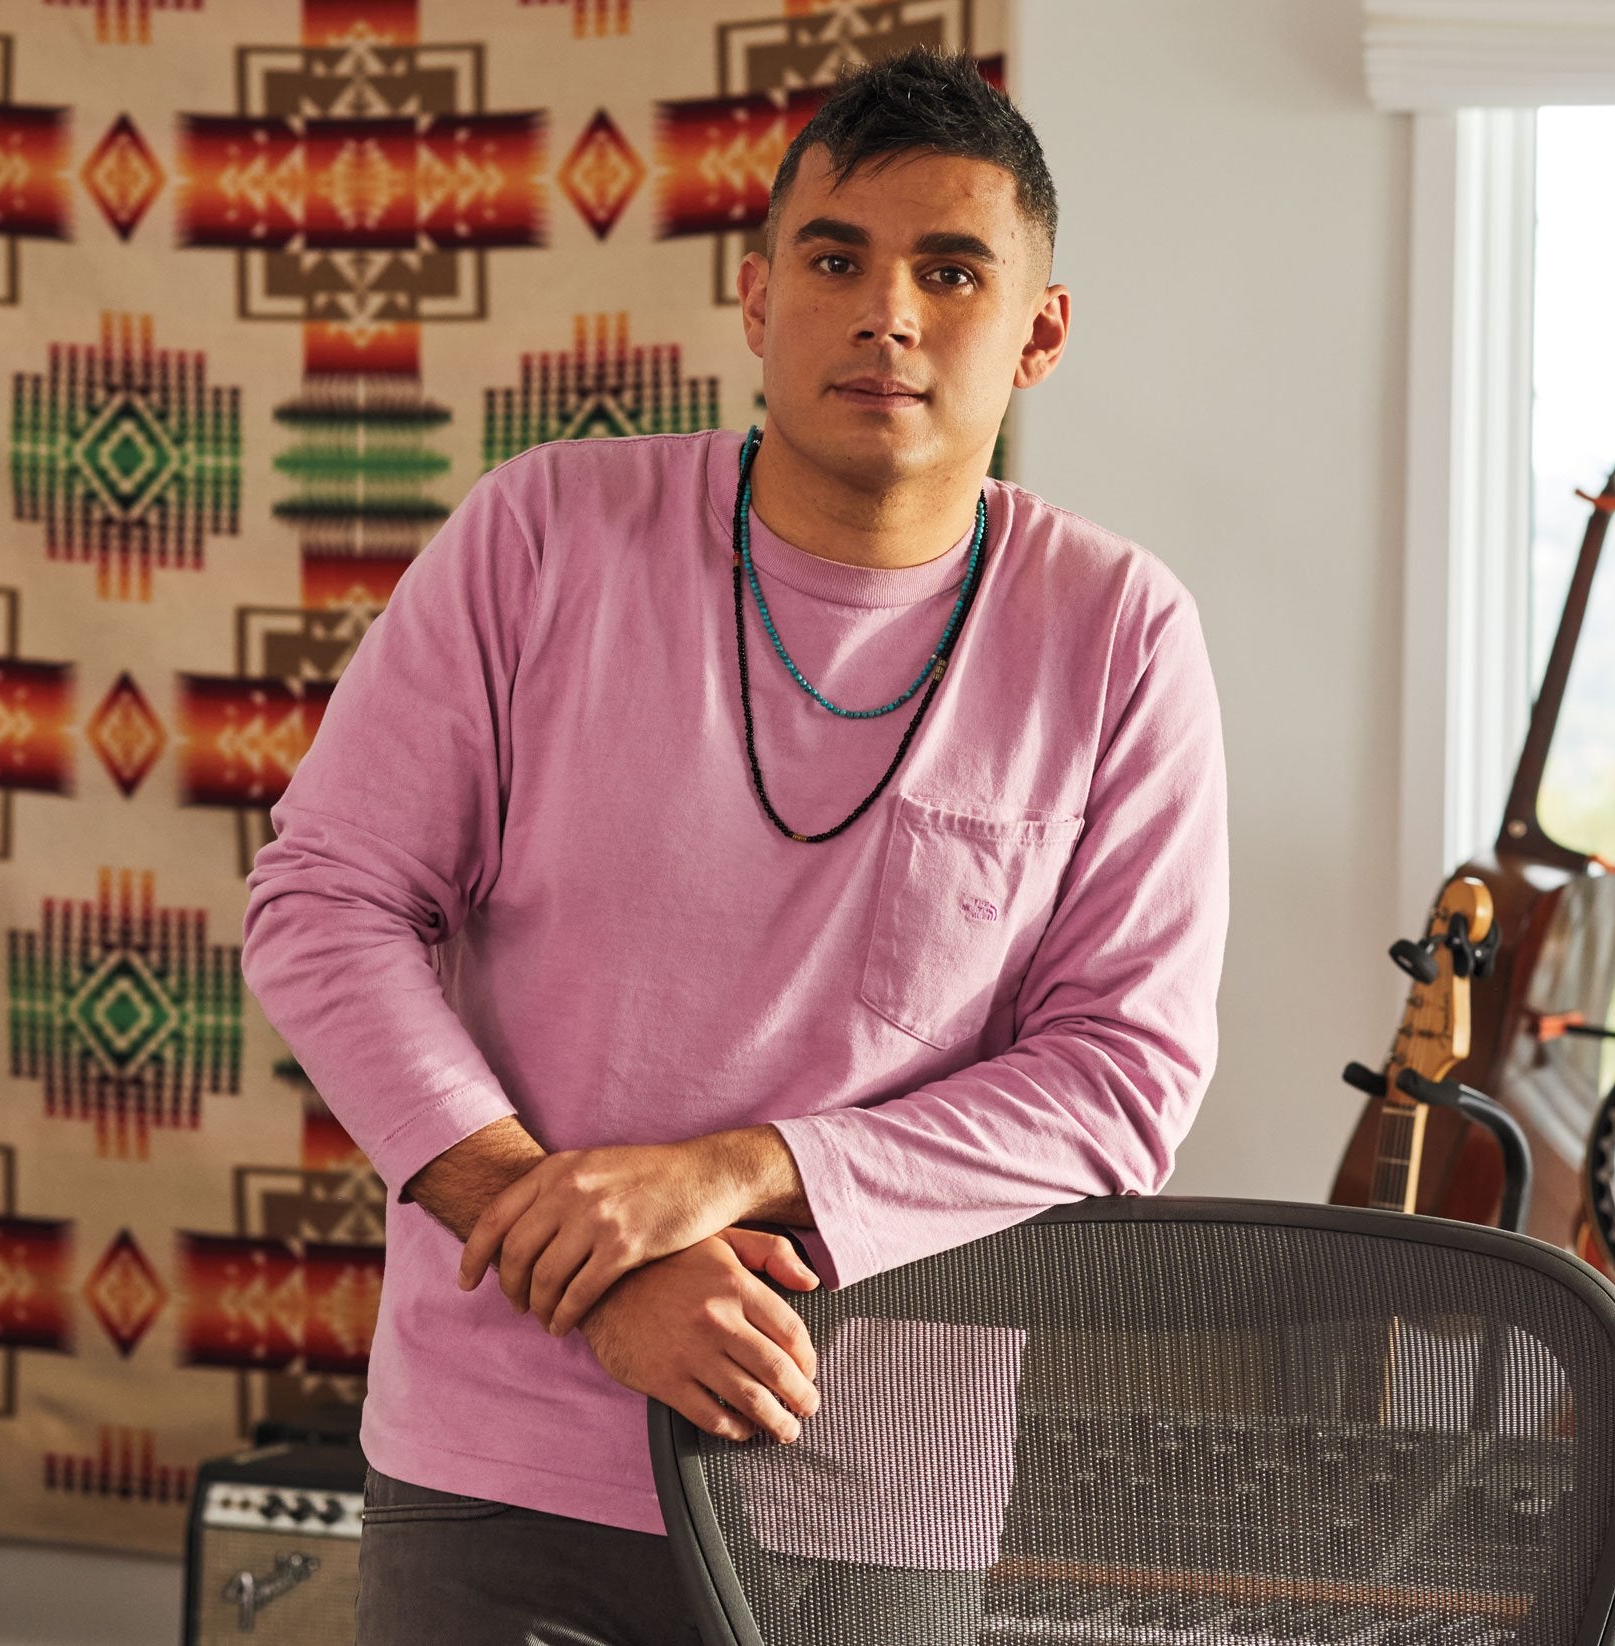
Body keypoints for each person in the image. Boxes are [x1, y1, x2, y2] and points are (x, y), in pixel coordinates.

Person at [239, 47, 1230, 1646]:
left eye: (951, 270)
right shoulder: (540, 533)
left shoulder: (1119, 632)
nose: (888, 312)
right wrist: (589, 1261)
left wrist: (728, 1179)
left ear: (1040, 332)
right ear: (759, 298)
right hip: (501, 1450)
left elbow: (1124, 1072)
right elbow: (322, 904)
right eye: (836, 258)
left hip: (873, 1474)